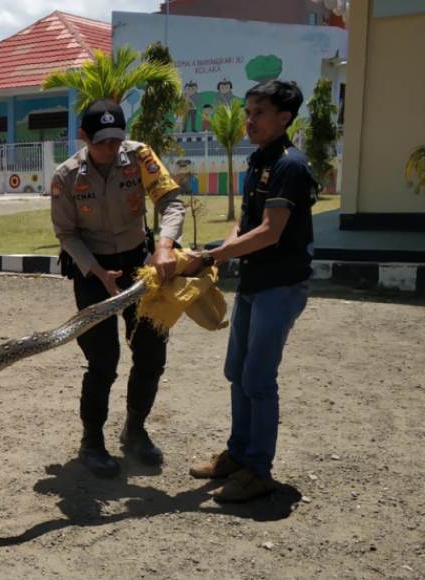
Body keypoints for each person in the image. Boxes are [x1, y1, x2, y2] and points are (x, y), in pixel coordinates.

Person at [185, 80, 316, 503]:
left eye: (260, 112)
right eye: (248, 111)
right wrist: (218, 254)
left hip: (281, 286)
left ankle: (259, 470)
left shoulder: (290, 166)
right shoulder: (260, 161)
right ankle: (239, 455)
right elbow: (245, 225)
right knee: (236, 373)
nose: (250, 119)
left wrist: (209, 258)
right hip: (254, 284)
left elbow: (270, 232)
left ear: (284, 118)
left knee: (258, 378)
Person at [51, 99, 186, 479]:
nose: (111, 149)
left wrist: (164, 246)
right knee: (102, 360)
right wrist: (97, 271)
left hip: (140, 268)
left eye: (116, 140)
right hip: (92, 273)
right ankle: (92, 441)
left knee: (151, 354)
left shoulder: (141, 157)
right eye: (101, 142)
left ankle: (135, 429)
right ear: (83, 138)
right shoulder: (66, 176)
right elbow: (67, 234)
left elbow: (171, 201)